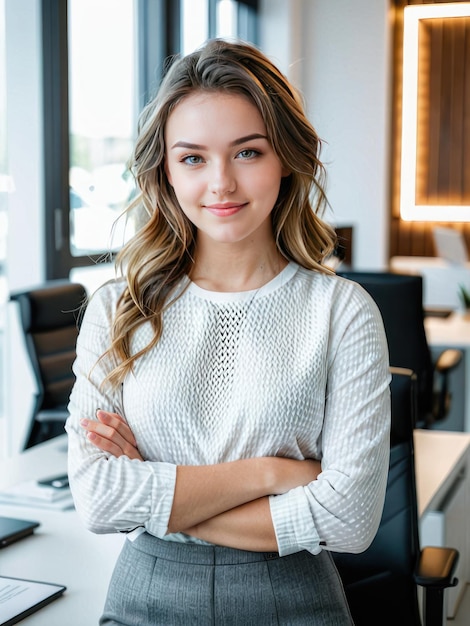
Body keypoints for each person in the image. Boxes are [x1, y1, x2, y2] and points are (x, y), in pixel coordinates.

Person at [66, 38, 391, 625]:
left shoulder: (341, 311)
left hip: (294, 600)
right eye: (192, 157)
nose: (221, 184)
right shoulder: (118, 308)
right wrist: (269, 474)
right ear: (163, 169)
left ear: (286, 157)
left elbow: (349, 519)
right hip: (143, 597)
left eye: (247, 153)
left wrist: (151, 493)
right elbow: (97, 498)